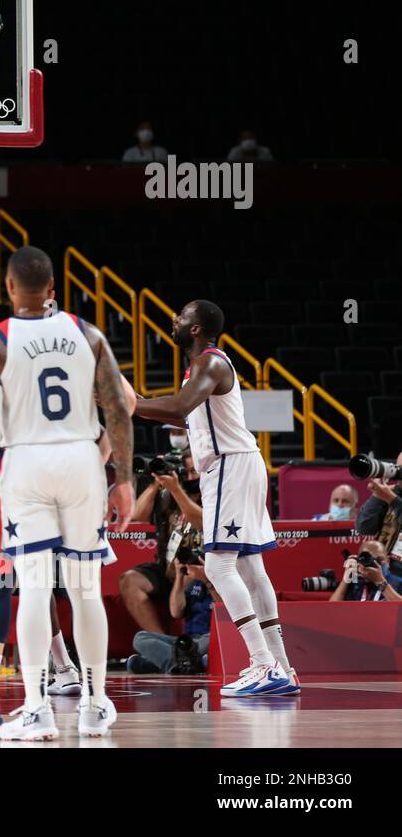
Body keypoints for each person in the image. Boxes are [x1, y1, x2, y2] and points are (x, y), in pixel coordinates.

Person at [0, 245, 135, 740]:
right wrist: (123, 479)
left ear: (9, 288)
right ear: (54, 289)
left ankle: (38, 710)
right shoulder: (88, 334)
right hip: (82, 460)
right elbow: (118, 409)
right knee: (84, 591)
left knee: (35, 589)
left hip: (26, 462)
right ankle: (95, 705)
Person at [135, 299, 299, 697]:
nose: (174, 320)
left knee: (219, 566)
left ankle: (263, 664)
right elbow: (183, 414)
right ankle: (283, 669)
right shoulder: (203, 368)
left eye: (182, 316)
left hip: (229, 465)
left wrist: (130, 403)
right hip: (240, 463)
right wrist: (136, 406)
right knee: (250, 568)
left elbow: (178, 405)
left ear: (196, 329)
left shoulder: (210, 362)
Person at [119, 454, 203, 634]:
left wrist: (176, 490)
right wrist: (156, 482)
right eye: (186, 472)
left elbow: (201, 521)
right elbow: (138, 516)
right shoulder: (169, 495)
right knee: (129, 581)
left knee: (190, 576)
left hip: (200, 569)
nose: (190, 478)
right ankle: (163, 643)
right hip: (168, 568)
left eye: (194, 471)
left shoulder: (213, 494)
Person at [126, 555, 216, 674]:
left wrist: (208, 580)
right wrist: (179, 577)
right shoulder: (194, 583)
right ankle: (181, 664)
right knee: (140, 637)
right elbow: (176, 612)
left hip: (209, 639)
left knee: (210, 640)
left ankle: (174, 664)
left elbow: (224, 609)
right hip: (187, 643)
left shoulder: (226, 582)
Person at [356, 458, 402, 579]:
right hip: (384, 571)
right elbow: (364, 527)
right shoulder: (389, 492)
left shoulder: (391, 496)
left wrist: (393, 500)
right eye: (399, 468)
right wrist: (377, 495)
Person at [329, 540, 402, 602]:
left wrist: (380, 582)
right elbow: (331, 611)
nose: (375, 564)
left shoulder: (399, 582)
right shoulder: (355, 583)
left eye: (379, 559)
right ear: (359, 561)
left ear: (388, 561)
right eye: (368, 559)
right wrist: (345, 579)